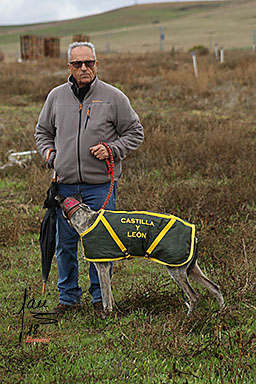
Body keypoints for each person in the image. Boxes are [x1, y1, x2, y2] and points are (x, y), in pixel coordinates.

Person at [35, 41, 144, 315]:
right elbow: (42, 132)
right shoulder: (55, 97)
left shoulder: (114, 97)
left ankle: (100, 298)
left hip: (101, 186)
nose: (84, 68)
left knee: (102, 243)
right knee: (66, 244)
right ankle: (68, 298)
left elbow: (135, 133)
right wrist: (50, 155)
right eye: (78, 64)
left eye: (89, 63)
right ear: (69, 67)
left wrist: (112, 149)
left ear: (96, 63)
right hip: (65, 186)